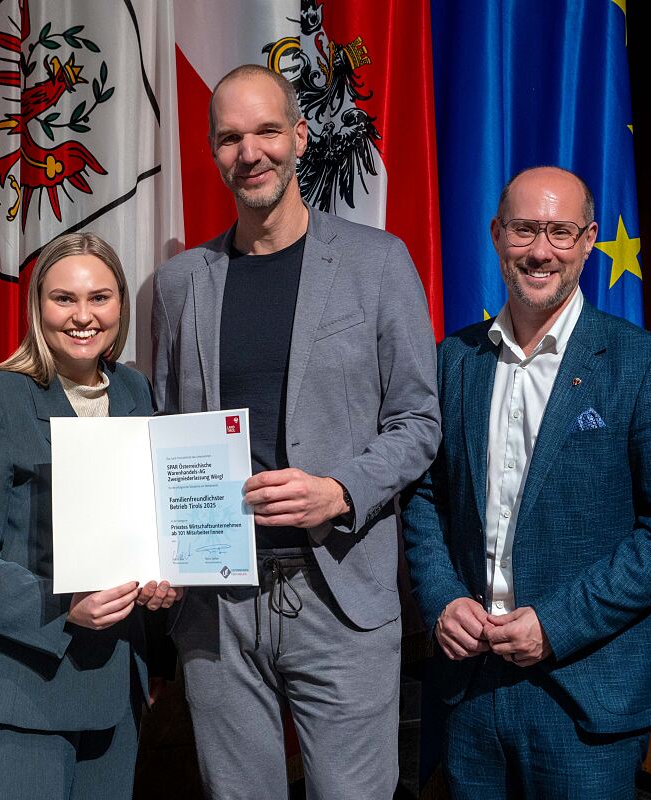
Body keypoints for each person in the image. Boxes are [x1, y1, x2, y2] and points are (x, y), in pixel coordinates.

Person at [151, 64, 441, 799]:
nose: (249, 152)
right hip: (218, 605)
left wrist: (340, 490)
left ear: (301, 137)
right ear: (214, 152)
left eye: (266, 131)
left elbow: (418, 421)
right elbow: (160, 433)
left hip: (339, 593)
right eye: (229, 137)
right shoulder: (182, 283)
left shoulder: (379, 263)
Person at [402, 166, 651, 798]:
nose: (540, 250)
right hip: (470, 689)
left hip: (586, 694)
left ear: (590, 239)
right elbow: (423, 494)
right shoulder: (452, 361)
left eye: (561, 232)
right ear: (496, 235)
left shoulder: (647, 366)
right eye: (524, 229)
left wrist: (558, 622)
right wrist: (440, 600)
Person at [0, 232, 179, 800]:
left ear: (121, 303)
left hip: (116, 684)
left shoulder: (134, 391)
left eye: (100, 298)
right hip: (22, 690)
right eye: (64, 298)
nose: (83, 316)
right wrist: (62, 606)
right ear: (36, 306)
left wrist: (162, 581)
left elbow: (141, 523)